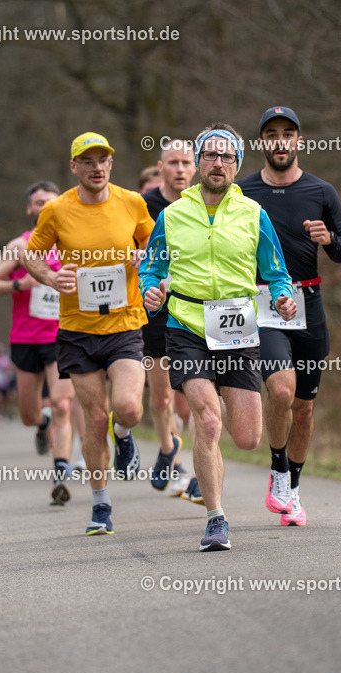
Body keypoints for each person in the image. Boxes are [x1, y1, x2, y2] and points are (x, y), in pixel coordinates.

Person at [140, 123, 296, 551]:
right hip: (186, 325)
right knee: (208, 420)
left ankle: (234, 457)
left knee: (246, 436)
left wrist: (283, 298)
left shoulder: (253, 215)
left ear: (236, 165)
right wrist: (150, 292)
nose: (217, 163)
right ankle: (216, 518)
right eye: (209, 155)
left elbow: (277, 273)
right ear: (198, 162)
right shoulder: (172, 216)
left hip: (236, 326)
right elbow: (149, 270)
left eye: (227, 157)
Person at [23, 132, 152, 536]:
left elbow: (155, 244)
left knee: (128, 407)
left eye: (103, 160)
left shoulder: (132, 202)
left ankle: (125, 434)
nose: (97, 167)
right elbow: (31, 253)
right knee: (94, 419)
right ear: (74, 166)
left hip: (125, 323)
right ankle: (100, 504)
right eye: (88, 161)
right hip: (77, 330)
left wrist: (143, 257)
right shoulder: (58, 210)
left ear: (111, 165)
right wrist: (47, 275)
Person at [238, 107, 341, 526]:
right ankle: (277, 467)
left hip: (309, 303)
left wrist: (330, 239)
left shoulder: (321, 191)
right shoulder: (242, 191)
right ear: (262, 143)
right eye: (272, 134)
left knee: (304, 408)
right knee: (282, 393)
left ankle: (294, 491)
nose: (280, 141)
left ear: (299, 141)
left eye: (288, 133)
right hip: (263, 301)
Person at [0, 181, 77, 505]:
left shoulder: (74, 242)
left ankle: (60, 474)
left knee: (64, 405)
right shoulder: (19, 246)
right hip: (25, 338)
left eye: (50, 201)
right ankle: (41, 424)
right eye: (38, 202)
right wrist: (20, 283)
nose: (44, 207)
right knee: (28, 414)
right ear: (30, 208)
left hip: (63, 335)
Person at [140, 140, 197, 497]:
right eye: (172, 162)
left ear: (195, 167)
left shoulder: (206, 204)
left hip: (194, 307)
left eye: (186, 162)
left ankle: (187, 462)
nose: (179, 169)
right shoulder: (142, 206)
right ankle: (167, 451)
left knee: (191, 398)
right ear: (160, 168)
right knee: (161, 398)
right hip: (156, 309)